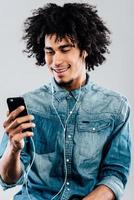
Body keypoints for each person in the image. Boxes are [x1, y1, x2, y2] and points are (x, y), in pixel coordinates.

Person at [0, 3, 131, 200]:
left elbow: (115, 175)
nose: (55, 61)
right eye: (50, 51)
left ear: (85, 49)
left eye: (65, 49)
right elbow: (8, 180)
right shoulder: (28, 105)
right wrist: (14, 148)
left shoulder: (115, 106)